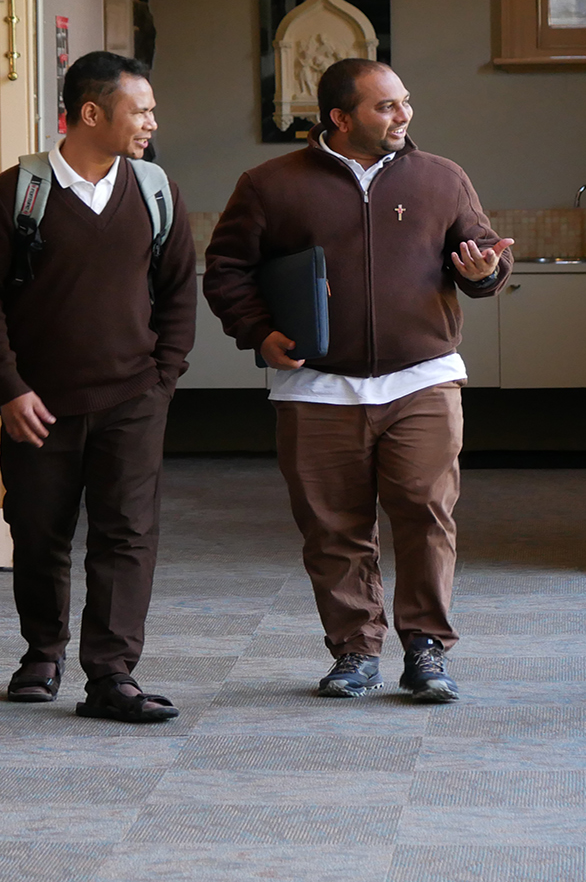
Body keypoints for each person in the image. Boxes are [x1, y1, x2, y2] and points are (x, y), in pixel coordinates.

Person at [204, 58, 513, 703]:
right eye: (385, 106)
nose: (403, 115)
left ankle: (426, 649)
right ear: (340, 119)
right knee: (333, 528)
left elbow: (481, 262)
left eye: (404, 101)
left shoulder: (441, 179)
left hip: (422, 380)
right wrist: (258, 332)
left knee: (427, 514)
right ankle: (354, 650)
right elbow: (227, 270)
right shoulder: (270, 185)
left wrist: (484, 271)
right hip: (316, 387)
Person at [0, 50, 197, 723]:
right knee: (37, 532)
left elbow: (180, 292)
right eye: (140, 109)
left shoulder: (156, 191)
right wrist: (8, 386)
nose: (152, 121)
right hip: (38, 406)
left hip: (134, 400)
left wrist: (163, 381)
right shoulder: (16, 195)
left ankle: (111, 674)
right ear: (91, 112)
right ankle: (43, 650)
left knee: (128, 534)